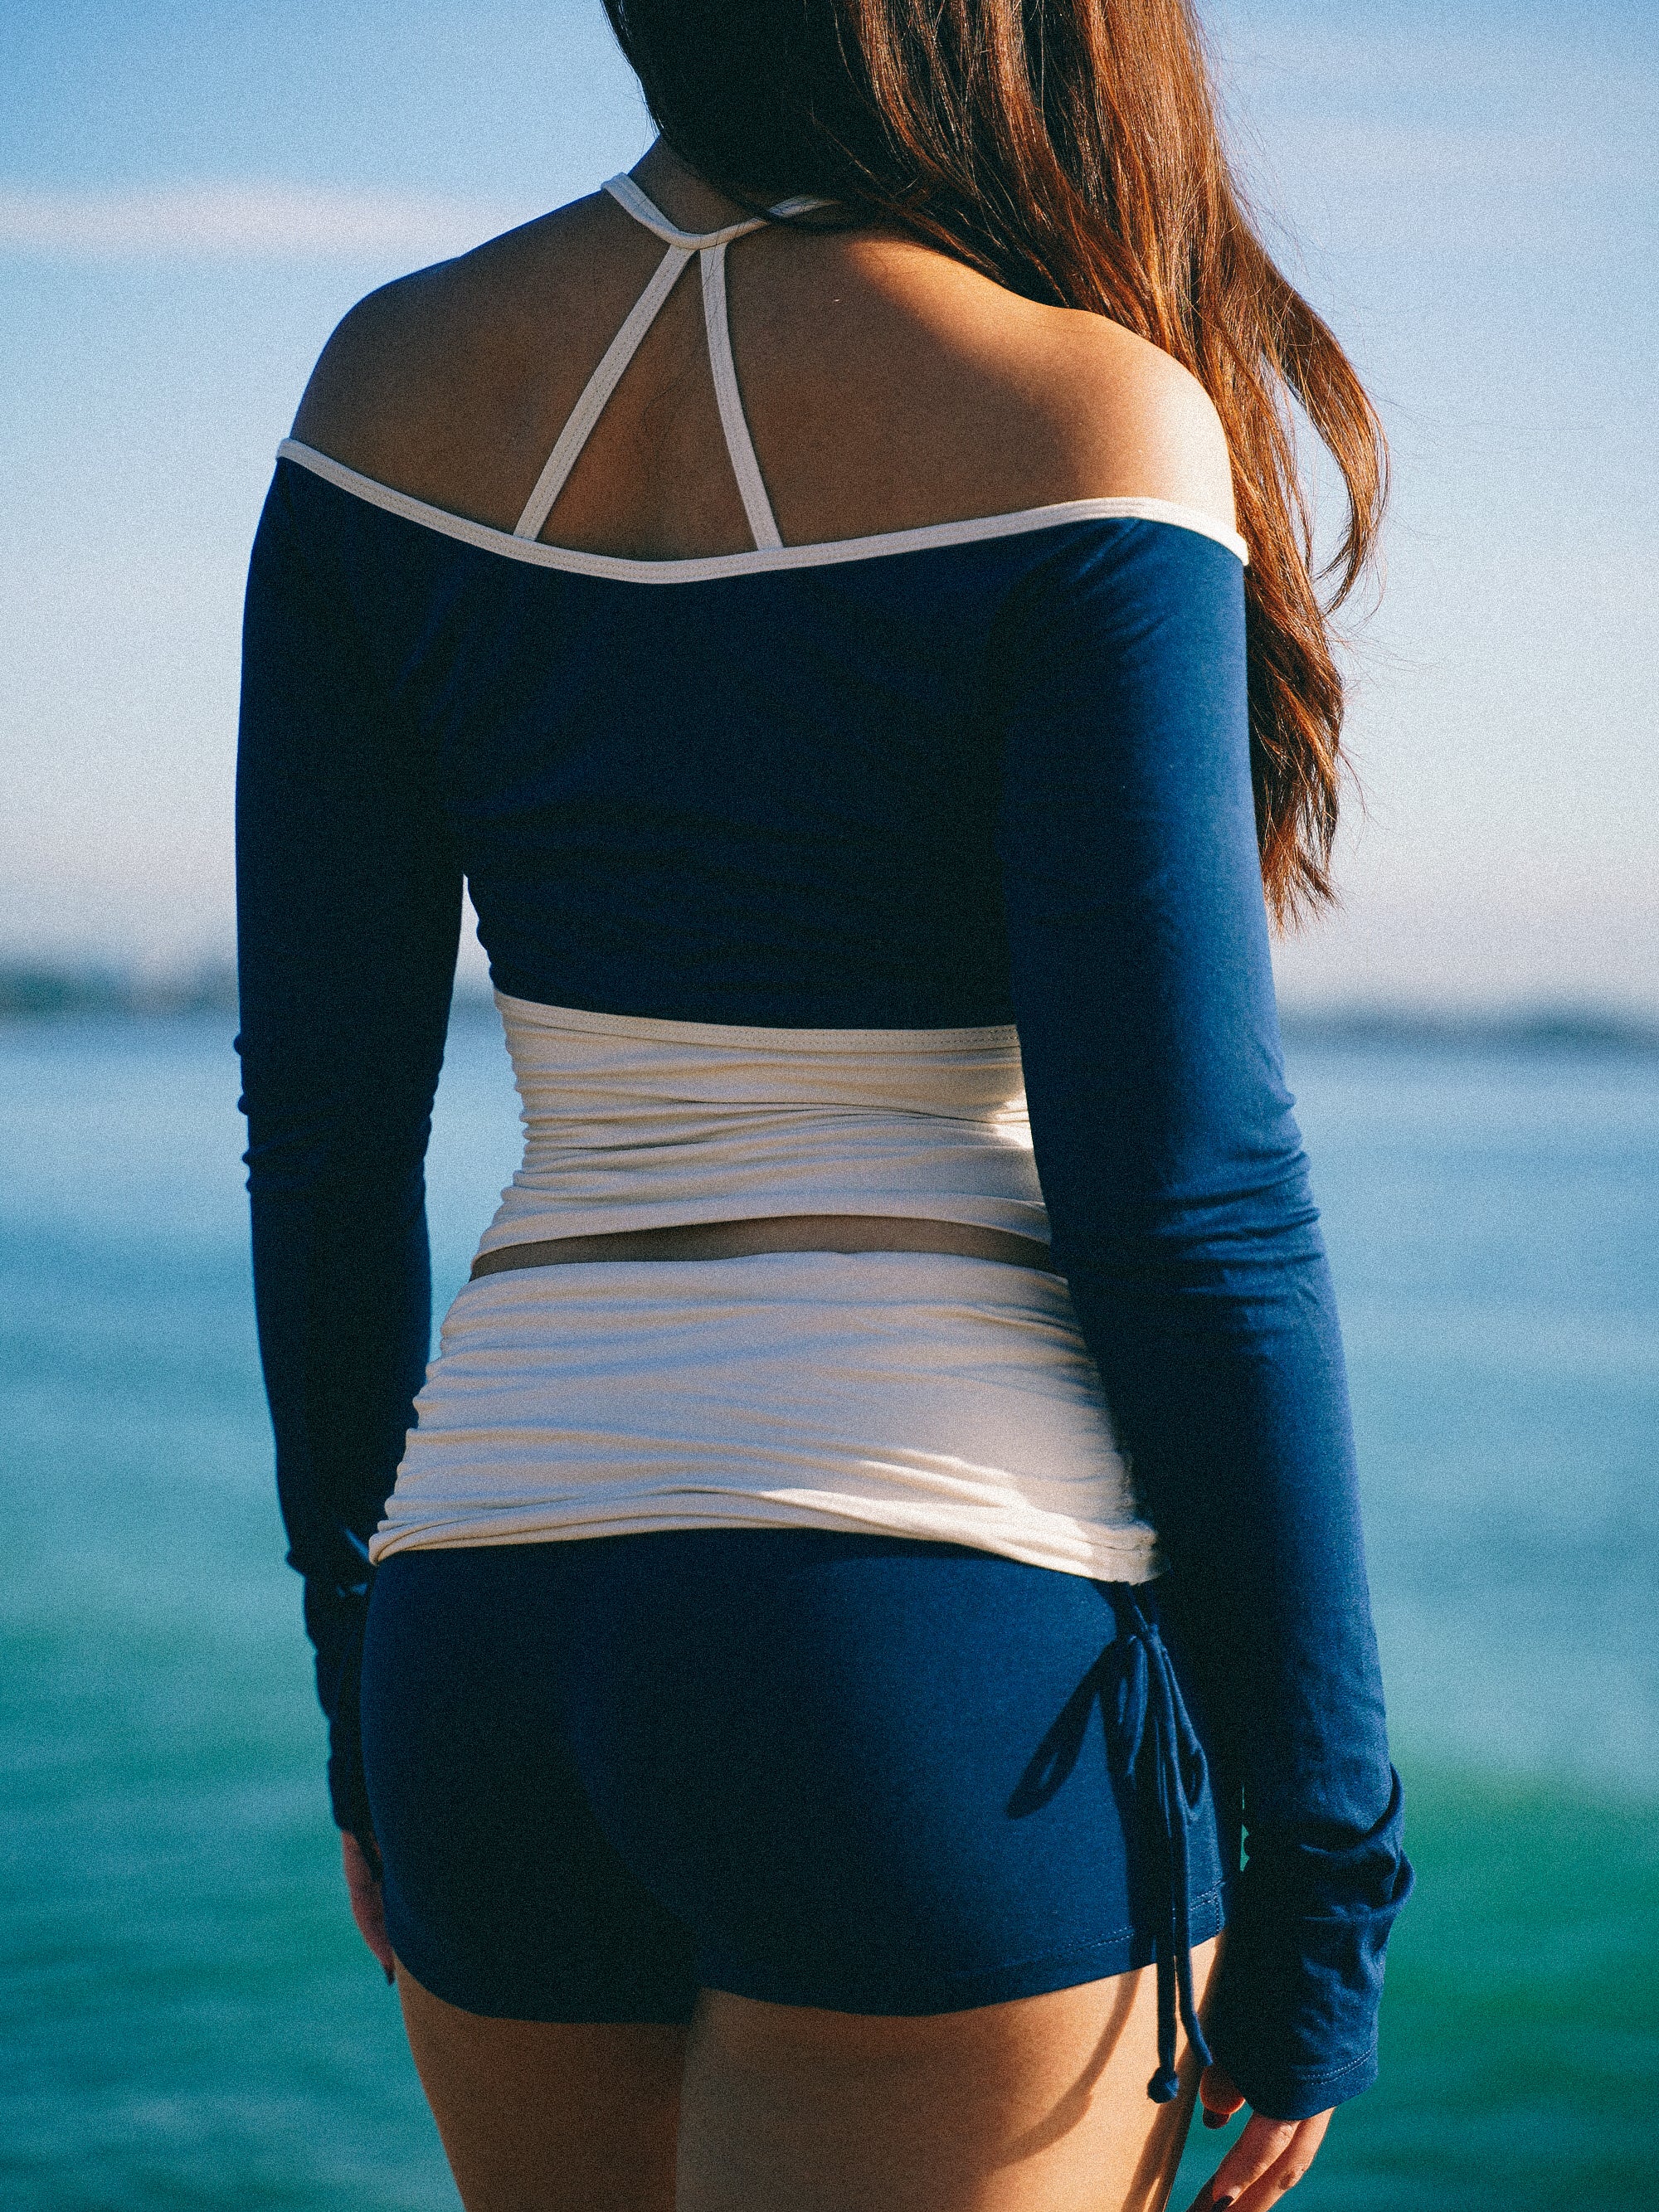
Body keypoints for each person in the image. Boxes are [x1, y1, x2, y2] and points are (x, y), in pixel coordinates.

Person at [236, 2, 1413, 2205]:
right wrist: (1330, 1860)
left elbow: (319, 1141)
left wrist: (360, 1686)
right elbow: (1192, 1200)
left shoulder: (380, 381)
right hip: (930, 1645)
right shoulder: (1077, 412)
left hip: (492, 1626)